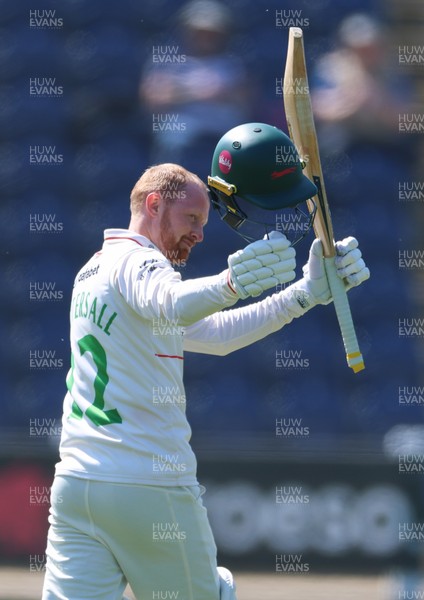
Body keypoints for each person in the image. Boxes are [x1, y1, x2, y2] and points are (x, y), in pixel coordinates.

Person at [42, 123, 369, 600]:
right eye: (191, 218)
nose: (197, 233)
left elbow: (214, 336)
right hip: (150, 485)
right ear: (154, 205)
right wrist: (230, 284)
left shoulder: (94, 270)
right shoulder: (141, 263)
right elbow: (173, 303)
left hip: (77, 487)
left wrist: (304, 295)